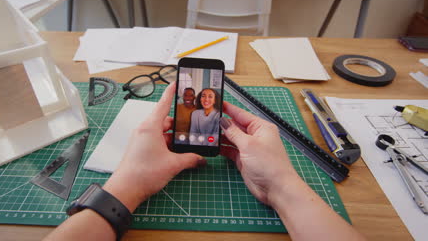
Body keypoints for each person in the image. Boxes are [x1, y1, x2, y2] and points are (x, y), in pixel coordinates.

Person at [45, 83, 366, 241]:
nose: (206, 100)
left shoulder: (207, 117)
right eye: (202, 98)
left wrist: (279, 186)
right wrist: (281, 187)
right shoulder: (194, 115)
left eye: (210, 98)